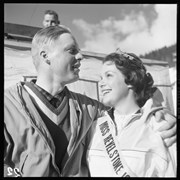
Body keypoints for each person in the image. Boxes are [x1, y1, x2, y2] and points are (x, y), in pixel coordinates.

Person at [4, 26, 176, 177]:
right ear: (45, 56)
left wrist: (160, 112)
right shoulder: (8, 106)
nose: (81, 56)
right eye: (72, 50)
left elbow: (128, 110)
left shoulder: (89, 109)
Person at [87, 50, 176, 177]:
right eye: (101, 78)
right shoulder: (94, 127)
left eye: (109, 75)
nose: (100, 83)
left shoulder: (161, 128)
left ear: (130, 79)